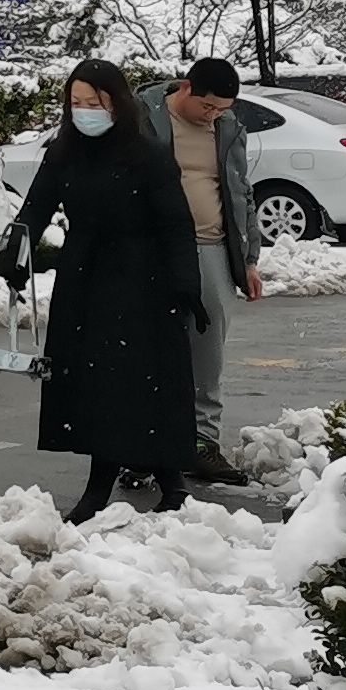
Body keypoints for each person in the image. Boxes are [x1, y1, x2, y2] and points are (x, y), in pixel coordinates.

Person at [5, 58, 203, 519]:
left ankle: (168, 480)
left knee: (147, 380)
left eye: (94, 103)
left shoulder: (148, 155)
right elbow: (34, 210)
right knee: (98, 383)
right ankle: (107, 484)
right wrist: (16, 257)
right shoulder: (63, 152)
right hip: (85, 276)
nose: (84, 112)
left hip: (144, 277)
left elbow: (176, 224)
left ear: (117, 104)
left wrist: (185, 284)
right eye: (76, 103)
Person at [139, 59, 265, 482]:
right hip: (155, 248)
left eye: (222, 109)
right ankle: (144, 447)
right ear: (186, 89)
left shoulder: (228, 129)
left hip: (211, 246)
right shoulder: (146, 118)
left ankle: (202, 444)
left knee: (207, 350)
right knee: (151, 346)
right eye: (207, 106)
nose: (213, 115)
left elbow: (241, 193)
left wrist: (249, 260)